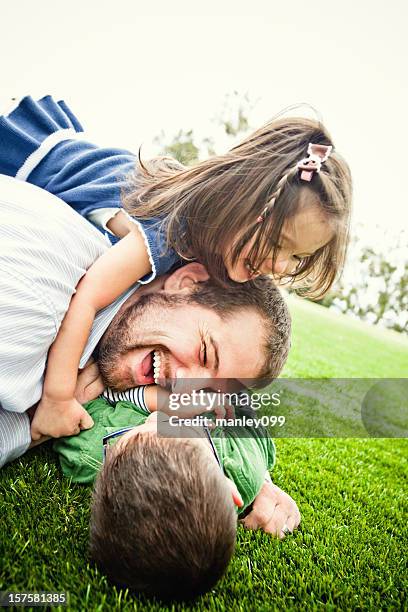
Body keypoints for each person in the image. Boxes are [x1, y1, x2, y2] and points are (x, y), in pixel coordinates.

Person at [0, 95, 352, 443]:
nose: (277, 266)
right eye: (277, 243)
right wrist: (58, 396)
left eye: (297, 257)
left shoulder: (214, 257)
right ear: (244, 200)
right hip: (28, 155)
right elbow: (90, 296)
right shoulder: (171, 230)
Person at [0, 174, 291, 470]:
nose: (182, 386)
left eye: (206, 390)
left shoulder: (100, 338)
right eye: (205, 353)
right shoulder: (36, 310)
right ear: (186, 281)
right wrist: (40, 416)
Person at [52, 395, 300, 601]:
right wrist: (262, 480)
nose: (159, 418)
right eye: (182, 430)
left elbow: (79, 400)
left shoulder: (86, 453)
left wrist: (150, 397)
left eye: (139, 432)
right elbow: (251, 422)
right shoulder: (244, 469)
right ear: (231, 491)